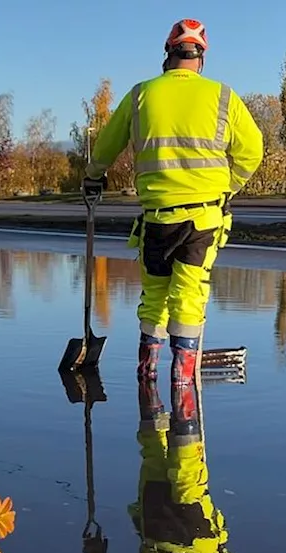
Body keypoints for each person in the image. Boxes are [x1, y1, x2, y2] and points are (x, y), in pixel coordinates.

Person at [82, 19, 264, 386]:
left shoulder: (140, 95)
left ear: (167, 54)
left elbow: (105, 147)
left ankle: (147, 374)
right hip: (204, 217)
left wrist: (93, 175)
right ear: (201, 58)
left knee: (154, 296)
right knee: (189, 296)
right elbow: (253, 150)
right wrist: (229, 186)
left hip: (157, 217)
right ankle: (182, 380)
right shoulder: (223, 96)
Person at [82, 378, 255, 553]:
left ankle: (183, 393)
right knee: (153, 461)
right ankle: (149, 382)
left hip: (200, 546)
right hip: (156, 536)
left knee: (189, 481)